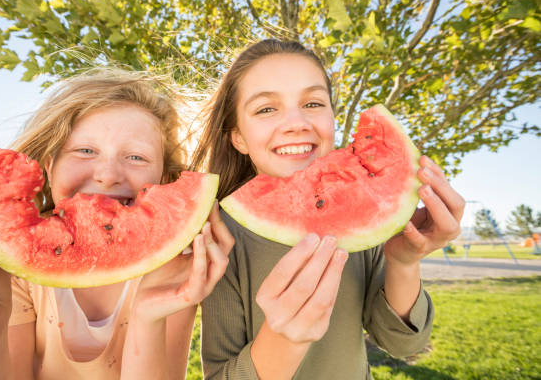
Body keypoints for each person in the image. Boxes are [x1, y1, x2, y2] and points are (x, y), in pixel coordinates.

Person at [0, 67, 234, 379]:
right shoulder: (13, 273)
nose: (107, 174)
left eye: (136, 158)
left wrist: (147, 316)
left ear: (165, 180)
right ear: (50, 166)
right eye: (85, 150)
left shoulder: (171, 270)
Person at [191, 39, 465, 379]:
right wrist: (282, 341)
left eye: (313, 103)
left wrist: (404, 260)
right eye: (266, 109)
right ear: (239, 138)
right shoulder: (222, 238)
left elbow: (401, 344)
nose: (296, 122)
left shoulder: (365, 213)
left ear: (332, 118)